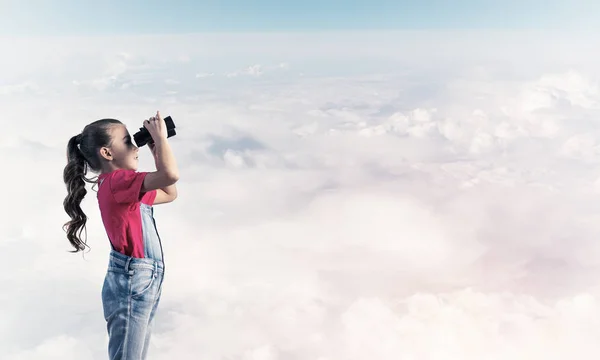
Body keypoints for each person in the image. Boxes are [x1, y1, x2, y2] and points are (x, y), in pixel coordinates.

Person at [62, 111, 179, 359]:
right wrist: (161, 139)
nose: (135, 146)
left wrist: (157, 151)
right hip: (132, 282)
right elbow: (170, 176)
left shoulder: (122, 186)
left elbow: (169, 193)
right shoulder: (117, 181)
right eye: (127, 141)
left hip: (141, 281)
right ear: (107, 153)